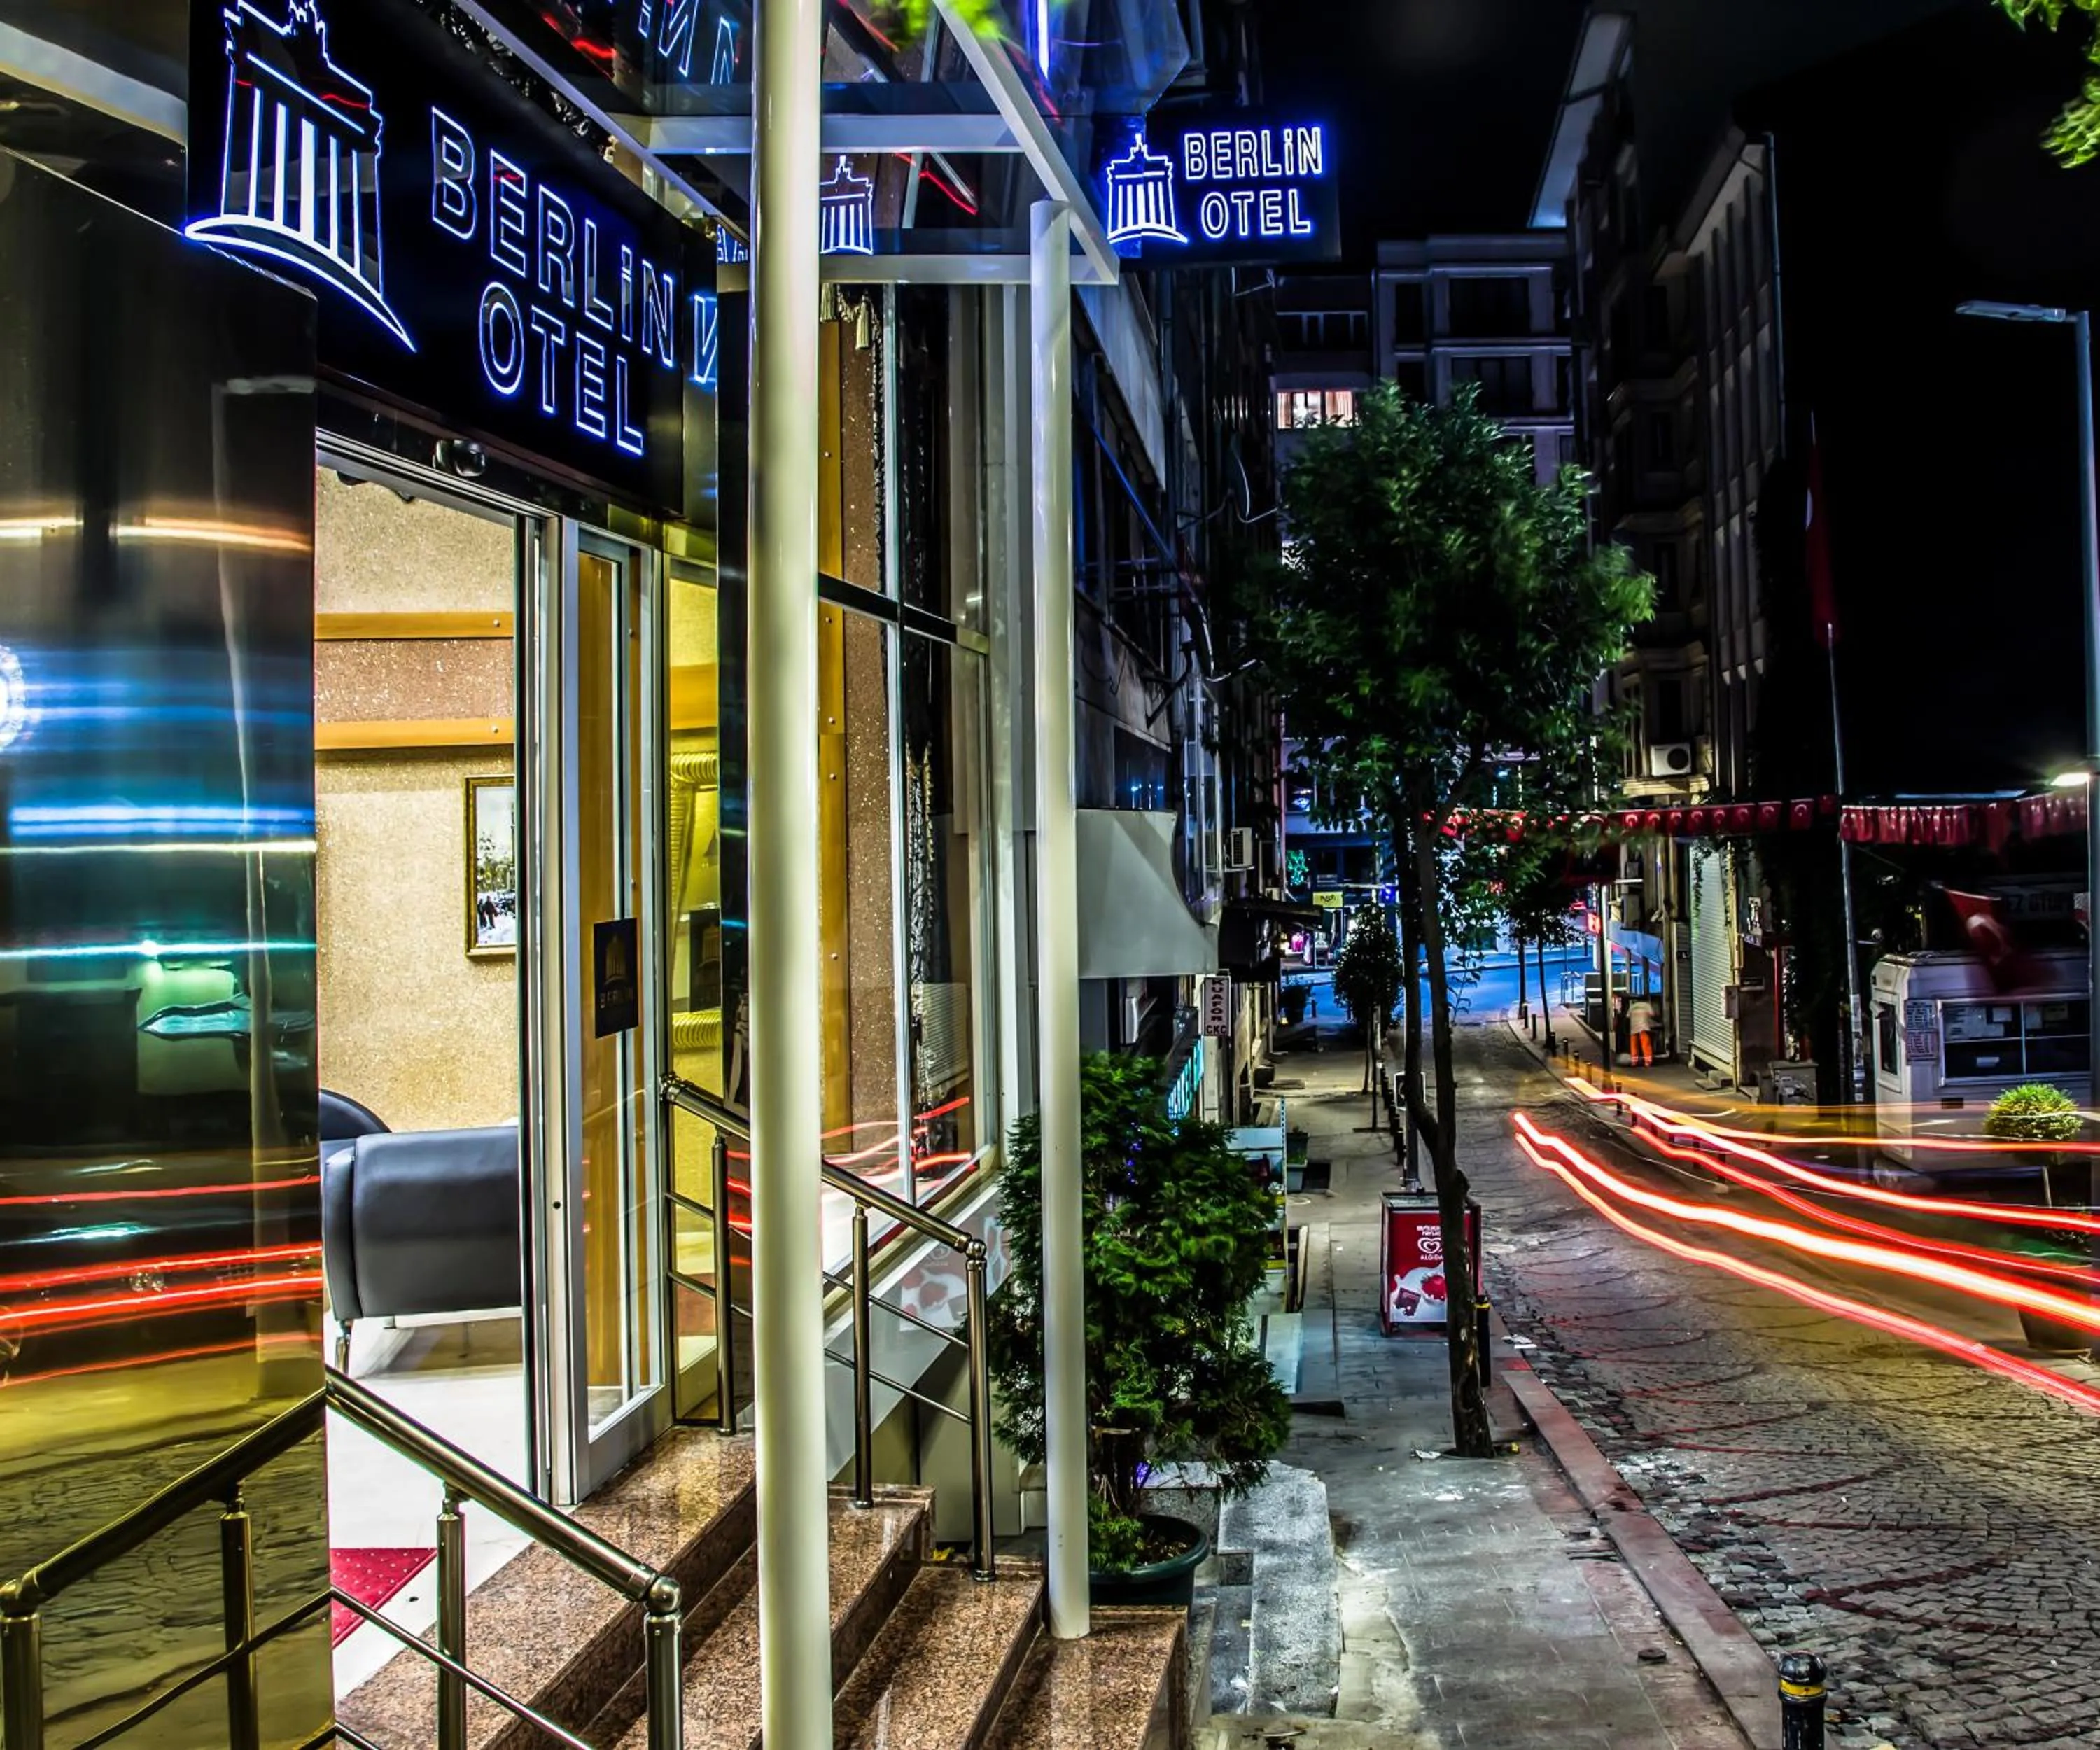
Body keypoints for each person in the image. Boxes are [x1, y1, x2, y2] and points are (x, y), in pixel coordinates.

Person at [1627, 991, 1657, 1067]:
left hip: (1633, 1026)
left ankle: (1634, 1062)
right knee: (1645, 1043)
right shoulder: (1647, 1005)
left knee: (1634, 1044)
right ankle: (1648, 1061)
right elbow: (1653, 1014)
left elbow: (1628, 1016)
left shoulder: (1633, 1006)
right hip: (1643, 1026)